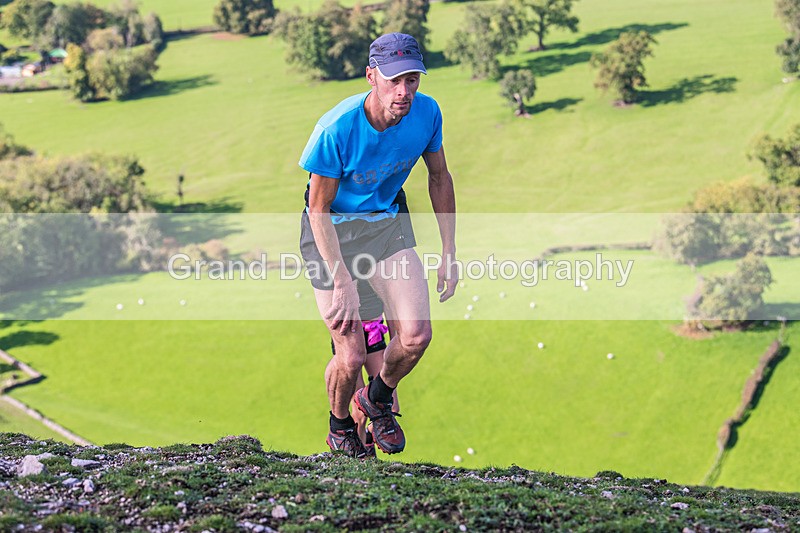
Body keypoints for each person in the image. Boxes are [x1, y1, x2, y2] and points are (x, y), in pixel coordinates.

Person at [299, 32, 457, 459]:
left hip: (387, 224)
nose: (404, 91)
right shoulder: (337, 129)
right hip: (332, 233)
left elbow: (439, 177)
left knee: (417, 334)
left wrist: (449, 253)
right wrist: (343, 280)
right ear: (372, 77)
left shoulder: (428, 114)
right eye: (393, 80)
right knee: (349, 357)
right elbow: (319, 209)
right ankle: (339, 429)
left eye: (412, 79)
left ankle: (378, 398)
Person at [330, 281, 399, 458]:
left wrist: (396, 345)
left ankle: (368, 440)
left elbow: (391, 308)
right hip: (349, 337)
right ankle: (358, 460)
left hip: (374, 335)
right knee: (359, 415)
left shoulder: (380, 264)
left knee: (391, 407)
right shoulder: (343, 270)